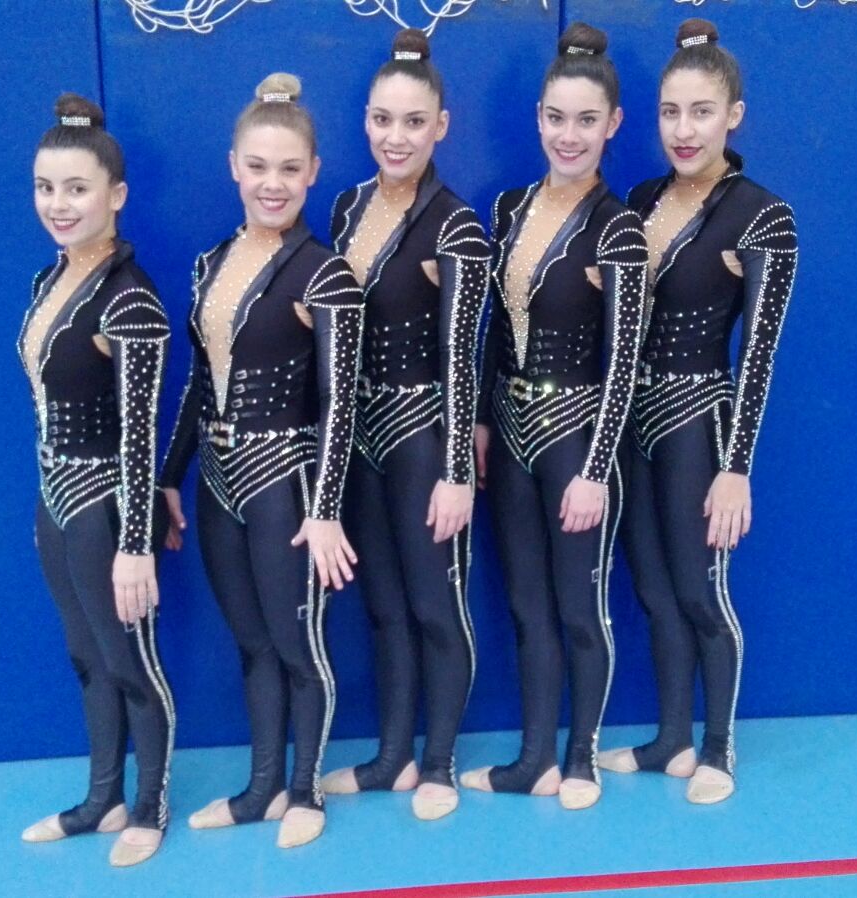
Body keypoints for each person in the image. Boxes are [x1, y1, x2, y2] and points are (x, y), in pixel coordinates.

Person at [598, 18, 800, 806]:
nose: (684, 130)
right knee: (652, 588)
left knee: (700, 591)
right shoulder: (642, 200)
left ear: (733, 115)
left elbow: (760, 353)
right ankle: (672, 739)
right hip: (633, 422)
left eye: (702, 112)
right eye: (671, 112)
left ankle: (718, 748)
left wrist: (736, 467)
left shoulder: (763, 216)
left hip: (698, 421)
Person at [160, 73, 362, 850]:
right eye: (257, 167)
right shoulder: (210, 263)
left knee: (298, 644)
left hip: (288, 484)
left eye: (288, 168)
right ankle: (262, 787)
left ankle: (305, 790)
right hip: (218, 484)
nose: (271, 183)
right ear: (233, 167)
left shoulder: (327, 273)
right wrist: (168, 478)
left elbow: (340, 401)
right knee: (252, 644)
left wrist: (325, 510)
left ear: (313, 173)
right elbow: (197, 383)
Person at [461, 22, 649, 812]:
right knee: (525, 606)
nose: (568, 136)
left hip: (578, 439)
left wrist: (597, 470)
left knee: (579, 607)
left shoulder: (621, 229)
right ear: (537, 117)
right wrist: (479, 421)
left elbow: (625, 360)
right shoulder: (508, 209)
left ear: (613, 124)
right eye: (556, 118)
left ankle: (580, 760)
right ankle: (533, 758)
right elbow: (488, 332)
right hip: (510, 433)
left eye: (586, 121)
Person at [320, 29, 492, 822]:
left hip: (424, 435)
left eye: (414, 122)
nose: (397, 137)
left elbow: (463, 357)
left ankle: (440, 762)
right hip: (359, 438)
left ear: (441, 127)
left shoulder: (457, 227)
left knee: (434, 606)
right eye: (383, 120)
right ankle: (393, 756)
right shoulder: (347, 207)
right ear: (365, 120)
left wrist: (456, 471)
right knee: (383, 607)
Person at [18, 93, 175, 867]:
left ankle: (150, 805)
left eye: (76, 188)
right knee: (86, 656)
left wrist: (136, 544)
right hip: (56, 502)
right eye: (45, 187)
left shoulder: (130, 300)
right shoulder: (46, 282)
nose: (58, 203)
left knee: (129, 661)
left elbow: (141, 433)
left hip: (108, 507)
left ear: (115, 195)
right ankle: (103, 796)